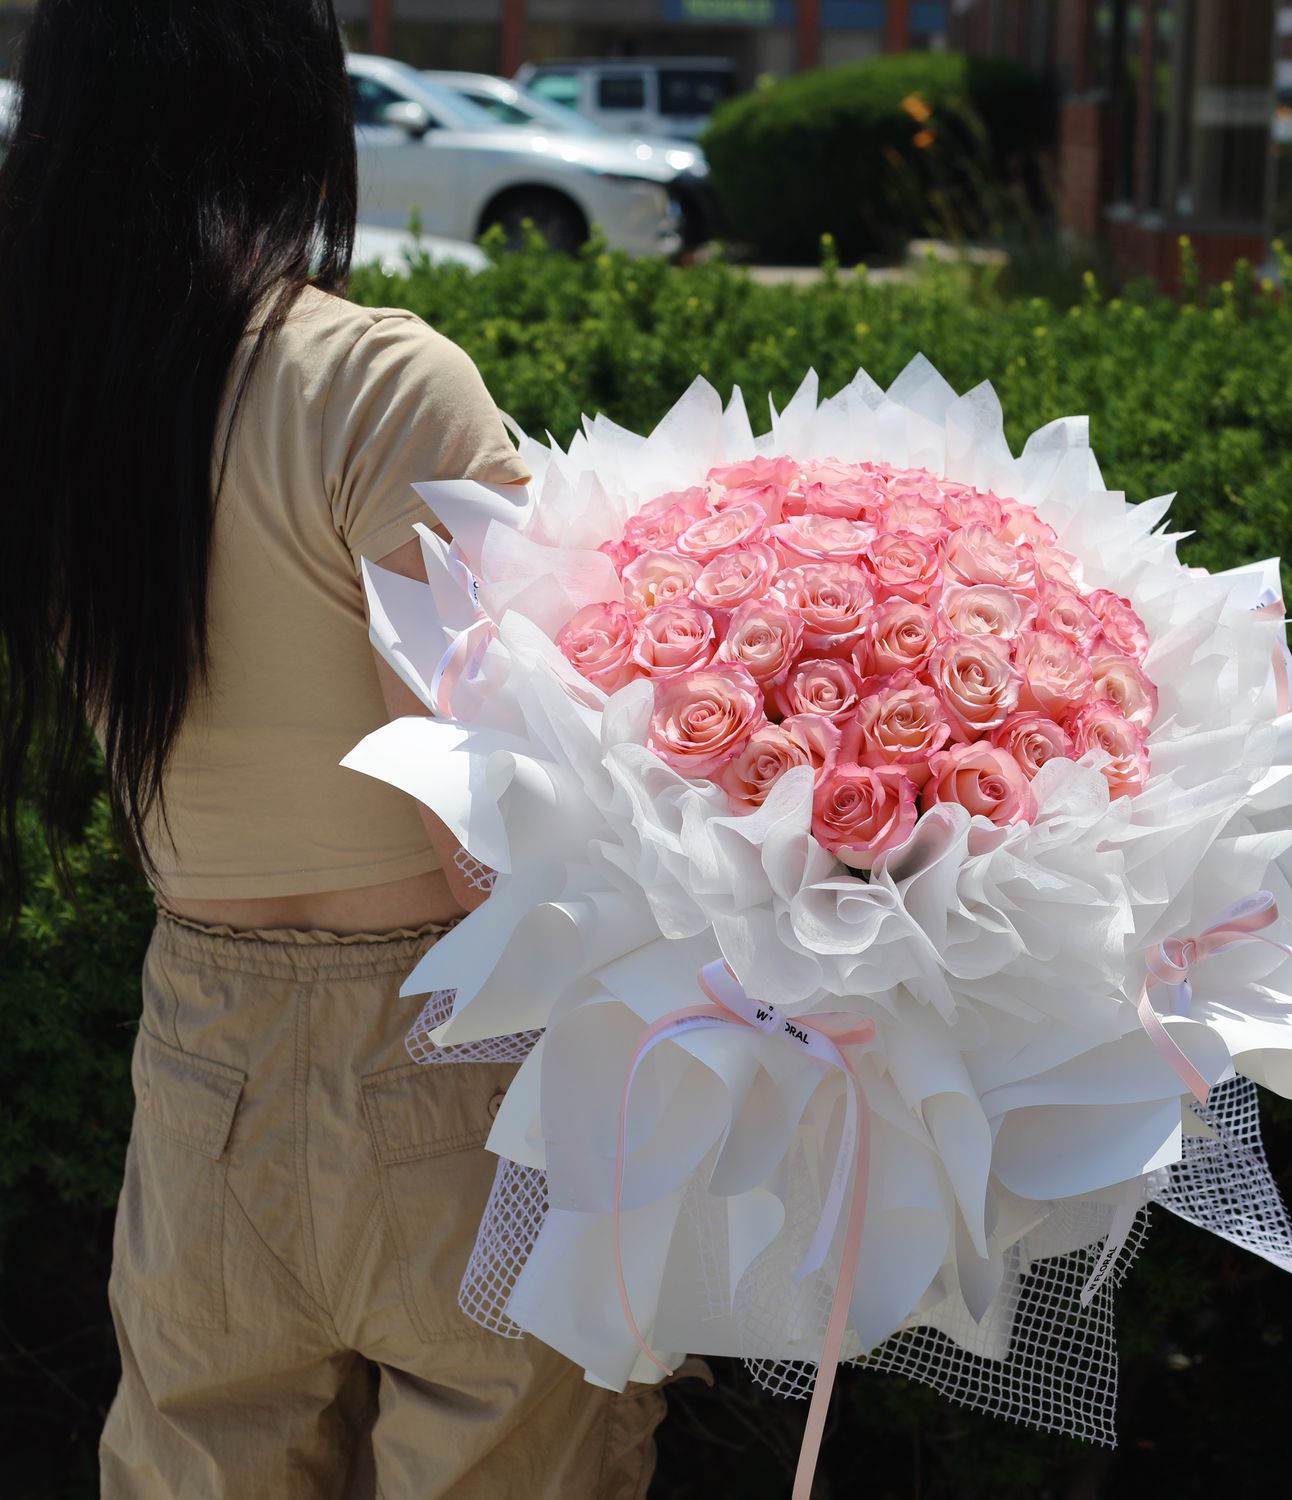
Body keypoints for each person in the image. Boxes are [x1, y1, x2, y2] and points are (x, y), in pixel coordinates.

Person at [0, 4, 667, 1496]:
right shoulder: (374, 380)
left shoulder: (51, 392)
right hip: (456, 1050)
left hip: (200, 1058)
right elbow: (486, 808)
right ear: (285, 103)